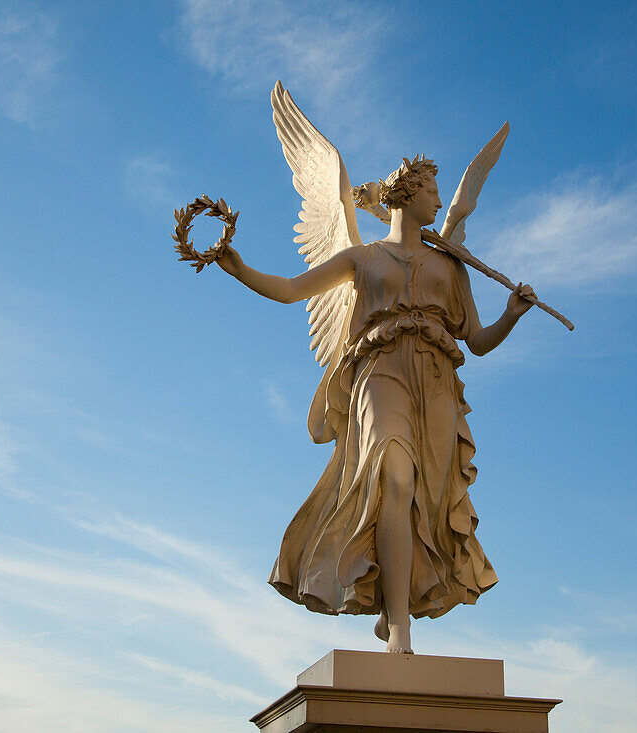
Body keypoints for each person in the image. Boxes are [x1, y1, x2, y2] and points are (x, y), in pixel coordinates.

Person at [216, 156, 536, 653]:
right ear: (406, 194)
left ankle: (393, 612)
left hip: (435, 379)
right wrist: (237, 268)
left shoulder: (449, 264)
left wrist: (511, 315)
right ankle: (401, 631)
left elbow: (475, 340)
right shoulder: (362, 259)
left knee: (420, 500)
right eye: (431, 189)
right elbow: (290, 291)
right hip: (380, 371)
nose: (437, 198)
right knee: (394, 473)